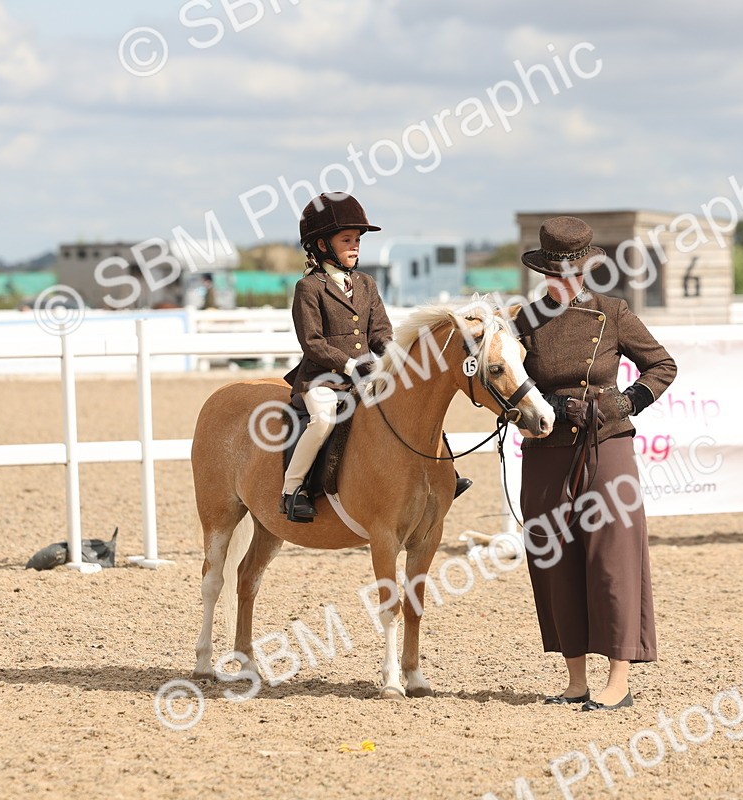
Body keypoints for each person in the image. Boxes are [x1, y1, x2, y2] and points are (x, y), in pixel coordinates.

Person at [513, 216, 677, 711]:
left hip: (607, 445)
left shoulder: (613, 311)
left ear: (584, 270)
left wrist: (623, 403)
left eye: (570, 272)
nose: (562, 281)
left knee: (612, 558)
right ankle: (575, 681)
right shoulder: (523, 323)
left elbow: (662, 366)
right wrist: (554, 406)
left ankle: (618, 680)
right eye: (554, 273)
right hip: (546, 448)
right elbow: (505, 388)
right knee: (554, 560)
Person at [281, 192, 471, 522]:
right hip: (323, 380)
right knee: (323, 420)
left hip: (365, 374)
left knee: (416, 403)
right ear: (323, 245)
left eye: (357, 240)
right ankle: (293, 489)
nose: (355, 246)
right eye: (347, 240)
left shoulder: (366, 284)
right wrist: (350, 365)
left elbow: (380, 334)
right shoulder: (309, 288)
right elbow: (312, 343)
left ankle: (444, 473)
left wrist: (400, 358)